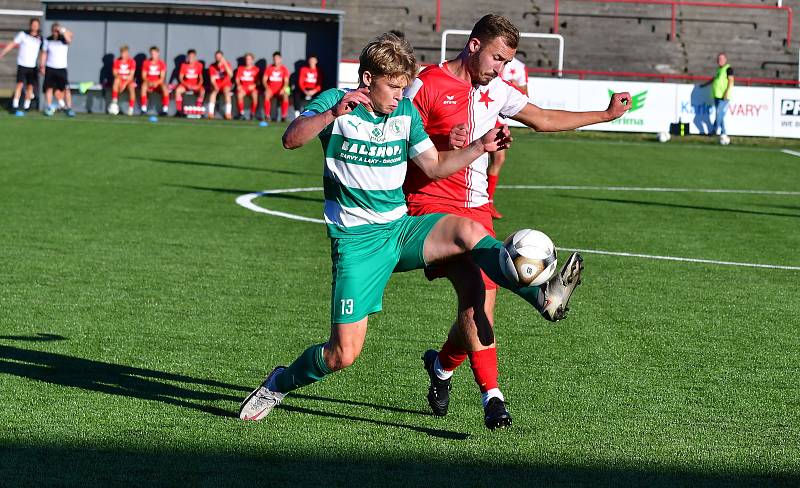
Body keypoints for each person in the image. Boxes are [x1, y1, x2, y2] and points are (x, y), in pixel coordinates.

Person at [238, 33, 566, 422]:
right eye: (392, 86)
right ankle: (279, 383)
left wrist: (479, 146)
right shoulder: (334, 102)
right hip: (356, 243)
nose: (399, 94)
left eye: (402, 86)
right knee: (342, 354)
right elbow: (291, 139)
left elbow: (432, 166)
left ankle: (538, 289)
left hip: (399, 229)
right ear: (366, 79)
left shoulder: (405, 114)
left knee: (469, 232)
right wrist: (332, 115)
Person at [404, 14, 630, 429]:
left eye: (507, 62)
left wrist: (604, 115)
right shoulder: (427, 84)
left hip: (477, 210)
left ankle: (441, 367)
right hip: (432, 205)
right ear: (473, 45)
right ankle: (494, 395)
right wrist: (439, 141)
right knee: (479, 291)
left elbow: (543, 118)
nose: (501, 69)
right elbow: (396, 134)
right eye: (496, 58)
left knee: (479, 302)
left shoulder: (496, 91)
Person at [485, 56, 528, 219]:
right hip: (484, 110)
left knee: (498, 158)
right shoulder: (489, 60)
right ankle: (484, 202)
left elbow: (525, 96)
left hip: (500, 117)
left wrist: (515, 87)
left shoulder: (519, 67)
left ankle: (488, 201)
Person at [0, 18, 43, 116]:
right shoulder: (23, 35)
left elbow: (43, 53)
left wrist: (42, 65)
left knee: (30, 87)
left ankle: (26, 107)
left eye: (36, 25)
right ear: (30, 25)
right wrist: (3, 53)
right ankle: (15, 106)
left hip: (32, 67)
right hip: (22, 65)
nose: (35, 26)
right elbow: (12, 44)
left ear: (38, 26)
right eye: (33, 24)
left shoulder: (40, 38)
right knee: (19, 85)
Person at [41, 23, 74, 117]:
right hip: (50, 67)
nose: (56, 32)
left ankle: (69, 108)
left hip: (62, 68)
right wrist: (42, 66)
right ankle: (49, 107)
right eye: (54, 30)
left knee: (66, 89)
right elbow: (44, 53)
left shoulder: (64, 40)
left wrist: (62, 30)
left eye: (57, 31)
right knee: (49, 88)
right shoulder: (48, 40)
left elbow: (70, 36)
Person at [701, 52, 734, 137]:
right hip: (717, 96)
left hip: (724, 96)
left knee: (719, 113)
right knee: (720, 115)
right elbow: (714, 79)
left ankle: (714, 130)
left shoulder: (728, 69)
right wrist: (705, 85)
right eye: (719, 59)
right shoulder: (719, 70)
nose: (720, 60)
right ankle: (723, 133)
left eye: (722, 59)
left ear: (725, 60)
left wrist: (726, 93)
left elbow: (730, 81)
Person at [174, 49, 205, 115]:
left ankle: (197, 110)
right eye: (189, 57)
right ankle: (179, 111)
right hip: (186, 85)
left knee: (202, 91)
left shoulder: (199, 65)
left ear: (195, 57)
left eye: (192, 57)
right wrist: (186, 85)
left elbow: (201, 78)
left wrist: (198, 86)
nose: (191, 58)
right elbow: (181, 78)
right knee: (178, 91)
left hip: (195, 85)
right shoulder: (184, 65)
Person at [140, 46, 169, 115]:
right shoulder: (146, 63)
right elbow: (143, 76)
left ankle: (165, 109)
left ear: (158, 53)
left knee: (165, 88)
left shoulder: (161, 63)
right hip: (148, 82)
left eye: (155, 53)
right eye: (152, 53)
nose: (153, 55)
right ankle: (143, 108)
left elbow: (162, 77)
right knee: (143, 86)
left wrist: (156, 83)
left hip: (158, 83)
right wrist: (149, 82)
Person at [262, 51, 290, 121]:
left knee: (286, 95)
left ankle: (284, 116)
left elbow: (286, 82)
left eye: (277, 59)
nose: (276, 60)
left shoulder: (284, 69)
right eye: (274, 59)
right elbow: (264, 80)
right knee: (266, 94)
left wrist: (283, 89)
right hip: (271, 89)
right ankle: (267, 116)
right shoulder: (269, 68)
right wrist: (267, 88)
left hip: (281, 89)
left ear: (280, 59)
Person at [111, 45, 136, 116]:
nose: (123, 55)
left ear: (128, 53)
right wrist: (121, 80)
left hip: (128, 81)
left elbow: (131, 76)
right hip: (120, 80)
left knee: (131, 86)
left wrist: (124, 84)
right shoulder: (117, 61)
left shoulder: (132, 61)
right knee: (116, 80)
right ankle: (114, 103)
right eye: (122, 53)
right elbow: (115, 73)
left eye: (125, 53)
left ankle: (131, 108)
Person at [207, 50, 233, 120]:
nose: (218, 58)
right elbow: (212, 79)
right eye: (216, 57)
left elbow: (230, 75)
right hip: (216, 84)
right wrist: (215, 86)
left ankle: (228, 113)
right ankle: (210, 113)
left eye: (219, 57)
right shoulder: (212, 66)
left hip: (225, 84)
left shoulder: (227, 64)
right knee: (213, 93)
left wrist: (224, 64)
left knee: (227, 92)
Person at [235, 53, 260, 120]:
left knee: (255, 95)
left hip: (252, 88)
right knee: (239, 94)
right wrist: (239, 85)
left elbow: (258, 82)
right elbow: (237, 79)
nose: (247, 61)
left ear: (252, 60)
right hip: (243, 88)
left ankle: (252, 114)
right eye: (246, 59)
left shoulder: (256, 69)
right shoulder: (241, 68)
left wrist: (254, 85)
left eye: (249, 59)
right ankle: (241, 113)